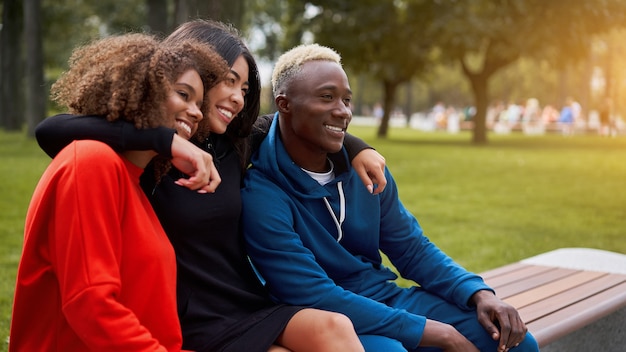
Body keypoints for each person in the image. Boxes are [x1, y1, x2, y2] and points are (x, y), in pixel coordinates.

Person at [33, 20, 386, 352]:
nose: (238, 97)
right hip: (188, 313)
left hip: (241, 298)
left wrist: (358, 147)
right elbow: (51, 129)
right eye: (229, 81)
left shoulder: (233, 144)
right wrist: (166, 141)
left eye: (245, 89)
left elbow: (293, 120)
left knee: (335, 328)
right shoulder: (147, 154)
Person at [241, 43, 541, 352]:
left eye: (346, 99)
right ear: (284, 104)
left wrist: (479, 294)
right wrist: (437, 333)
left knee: (515, 342)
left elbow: (412, 250)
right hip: (322, 318)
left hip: (384, 298)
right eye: (327, 97)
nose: (343, 111)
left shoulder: (368, 171)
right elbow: (314, 294)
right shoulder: (261, 194)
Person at [10, 33, 229, 351]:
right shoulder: (90, 161)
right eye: (184, 94)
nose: (196, 112)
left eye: (199, 103)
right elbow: (91, 304)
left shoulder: (136, 186)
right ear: (142, 91)